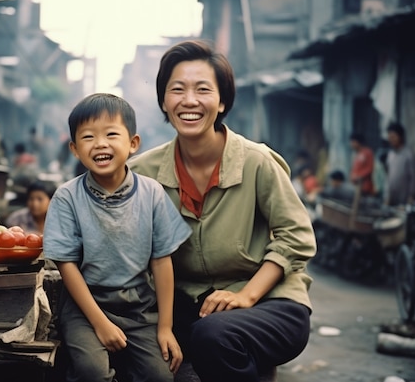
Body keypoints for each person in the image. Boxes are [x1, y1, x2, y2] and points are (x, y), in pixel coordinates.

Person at [127, 39, 316, 382]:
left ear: (222, 100)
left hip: (270, 303)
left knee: (214, 336)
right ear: (164, 101)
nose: (189, 101)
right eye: (177, 90)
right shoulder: (142, 174)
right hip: (187, 309)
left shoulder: (257, 161)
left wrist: (246, 295)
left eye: (203, 89)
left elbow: (297, 236)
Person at [43, 93, 192, 382]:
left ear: (133, 144)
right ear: (74, 149)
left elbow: (162, 262)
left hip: (138, 307)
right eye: (88, 137)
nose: (100, 143)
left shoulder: (152, 194)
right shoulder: (67, 197)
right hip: (86, 307)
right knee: (91, 372)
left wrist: (165, 327)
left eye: (111, 134)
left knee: (161, 376)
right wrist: (100, 324)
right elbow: (66, 266)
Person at [384, 122, 415, 207]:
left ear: (400, 136)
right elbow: (388, 177)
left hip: (404, 201)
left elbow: (413, 178)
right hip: (391, 200)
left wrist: (411, 196)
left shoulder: (409, 154)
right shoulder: (390, 155)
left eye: (393, 137)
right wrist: (386, 197)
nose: (391, 140)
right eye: (389, 137)